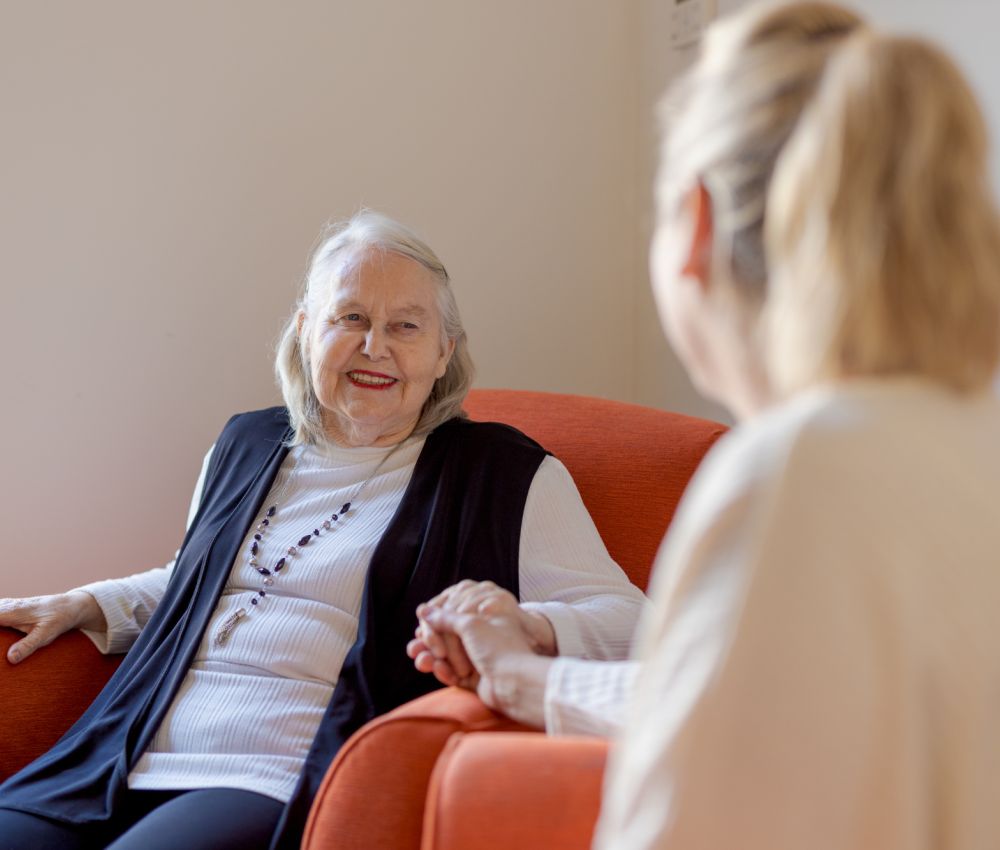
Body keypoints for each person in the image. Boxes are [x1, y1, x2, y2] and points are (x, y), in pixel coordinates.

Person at [412, 3, 1000, 848]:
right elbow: (740, 701)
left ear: (694, 225)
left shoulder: (792, 473)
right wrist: (523, 677)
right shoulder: (965, 446)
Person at [0, 210, 647, 850]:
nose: (375, 346)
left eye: (406, 326)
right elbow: (203, 580)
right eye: (351, 318)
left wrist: (527, 626)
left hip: (274, 781)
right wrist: (92, 603)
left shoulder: (500, 473)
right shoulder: (246, 443)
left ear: (445, 351)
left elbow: (633, 621)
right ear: (307, 329)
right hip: (116, 758)